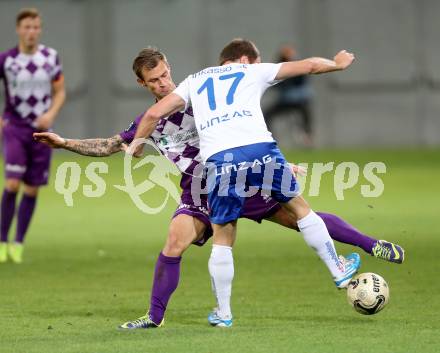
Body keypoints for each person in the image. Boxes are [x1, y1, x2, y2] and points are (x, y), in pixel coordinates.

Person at [35, 48, 403, 330]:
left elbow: (241, 125)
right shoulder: (149, 123)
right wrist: (65, 143)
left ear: (170, 70)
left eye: (165, 75)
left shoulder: (198, 100)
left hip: (238, 179)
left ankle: (372, 244)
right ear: (142, 84)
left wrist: (278, 164)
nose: (162, 83)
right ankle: (154, 317)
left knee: (299, 217)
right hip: (198, 193)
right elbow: (111, 144)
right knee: (173, 243)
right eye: (154, 81)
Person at [128, 39, 364, 328]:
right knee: (301, 210)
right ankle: (338, 269)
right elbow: (311, 66)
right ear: (244, 60)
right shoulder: (250, 71)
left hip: (220, 161)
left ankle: (224, 314)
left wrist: (137, 146)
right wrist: (337, 64)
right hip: (261, 150)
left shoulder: (195, 81)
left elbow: (153, 114)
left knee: (223, 236)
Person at [0, 8, 66, 264]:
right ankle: (3, 240)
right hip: (15, 128)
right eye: (27, 27)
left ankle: (18, 243)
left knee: (31, 188)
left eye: (35, 27)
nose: (31, 32)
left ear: (39, 30)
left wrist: (51, 114)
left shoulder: (50, 58)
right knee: (12, 184)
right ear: (19, 29)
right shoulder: (7, 60)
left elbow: (60, 91)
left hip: (42, 133)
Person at [264, 45, 313, 146]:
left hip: (299, 100)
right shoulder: (280, 65)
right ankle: (270, 138)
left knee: (305, 115)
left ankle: (307, 136)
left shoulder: (297, 65)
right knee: (267, 114)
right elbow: (275, 81)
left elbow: (300, 81)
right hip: (286, 101)